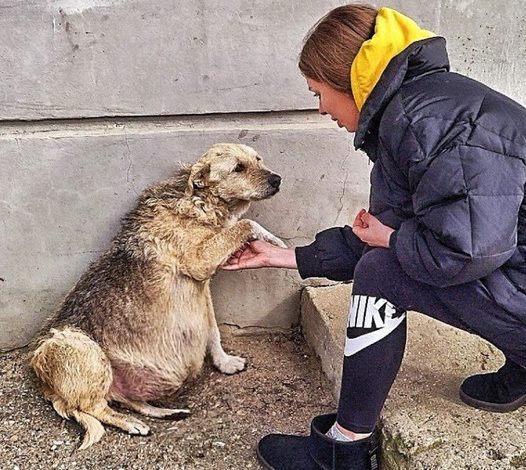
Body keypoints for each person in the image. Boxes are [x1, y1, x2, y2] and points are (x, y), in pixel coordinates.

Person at [222, 4, 526, 469]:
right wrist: (286, 257)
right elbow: (384, 230)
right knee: (385, 256)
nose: (321, 108)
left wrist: (391, 241)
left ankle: (343, 449)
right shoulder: (420, 109)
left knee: (381, 274)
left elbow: (464, 250)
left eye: (319, 92)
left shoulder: (423, 123)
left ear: (353, 81)